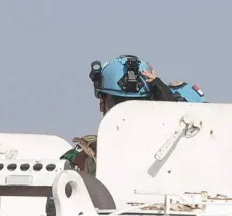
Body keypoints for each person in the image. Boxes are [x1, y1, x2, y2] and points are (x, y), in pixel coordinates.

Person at [63, 56, 204, 173]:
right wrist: (159, 86)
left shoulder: (83, 158)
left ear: (104, 101)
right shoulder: (181, 149)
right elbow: (175, 114)